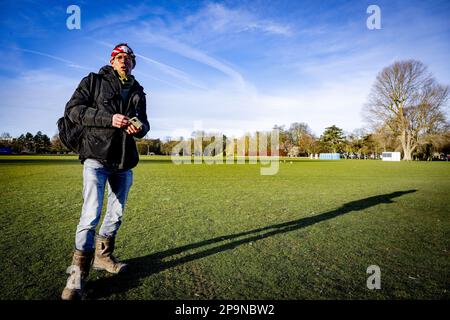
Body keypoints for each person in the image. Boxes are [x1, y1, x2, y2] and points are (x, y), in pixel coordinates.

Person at [61, 43, 149, 300]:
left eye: (129, 58)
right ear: (112, 61)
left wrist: (139, 127)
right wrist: (109, 119)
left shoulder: (138, 91)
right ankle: (76, 278)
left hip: (123, 160)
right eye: (120, 57)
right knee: (90, 215)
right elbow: (73, 111)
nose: (125, 61)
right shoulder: (93, 81)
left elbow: (145, 123)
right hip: (96, 157)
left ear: (133, 63)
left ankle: (103, 256)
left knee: (116, 212)